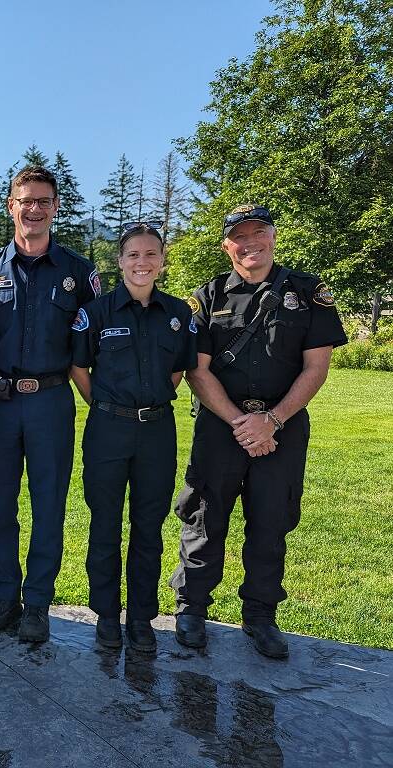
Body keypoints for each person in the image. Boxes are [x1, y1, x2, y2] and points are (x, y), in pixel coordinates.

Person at [170, 204, 347, 659]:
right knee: (205, 518)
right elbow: (198, 371)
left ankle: (261, 615)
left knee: (270, 521)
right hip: (221, 426)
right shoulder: (206, 297)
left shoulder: (308, 294)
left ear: (272, 236)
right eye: (240, 237)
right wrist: (239, 422)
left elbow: (316, 368)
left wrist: (271, 421)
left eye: (259, 233)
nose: (251, 244)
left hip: (282, 428)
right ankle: (191, 608)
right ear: (227, 245)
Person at [0, 164, 100, 643]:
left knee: (49, 505)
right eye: (26, 200)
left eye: (44, 201)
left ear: (55, 208)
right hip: (0, 404)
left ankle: (38, 604)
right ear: (12, 206)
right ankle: (5, 595)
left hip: (51, 402)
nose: (34, 209)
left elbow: (92, 346)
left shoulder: (80, 274)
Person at [71, 223, 197, 654]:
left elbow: (179, 371)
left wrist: (148, 403)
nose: (142, 263)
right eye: (133, 255)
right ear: (119, 261)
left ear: (162, 261)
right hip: (108, 429)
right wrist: (106, 405)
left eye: (151, 255)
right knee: (105, 524)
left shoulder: (179, 314)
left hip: (157, 431)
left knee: (149, 526)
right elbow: (80, 368)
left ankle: (141, 617)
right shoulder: (98, 312)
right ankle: (107, 615)